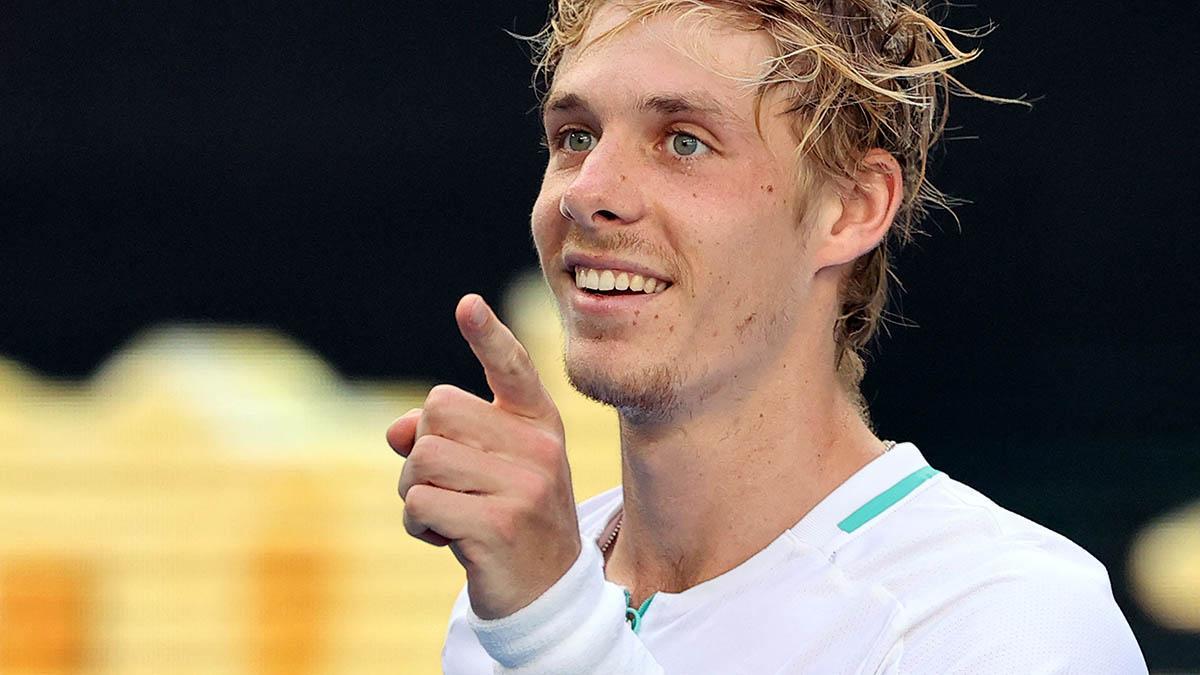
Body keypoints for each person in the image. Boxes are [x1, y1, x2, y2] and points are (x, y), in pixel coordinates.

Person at [387, 1, 1148, 672]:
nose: (588, 193)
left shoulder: (1009, 620)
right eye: (576, 136)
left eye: (683, 141)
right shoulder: (516, 593)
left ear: (850, 208)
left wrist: (555, 627)